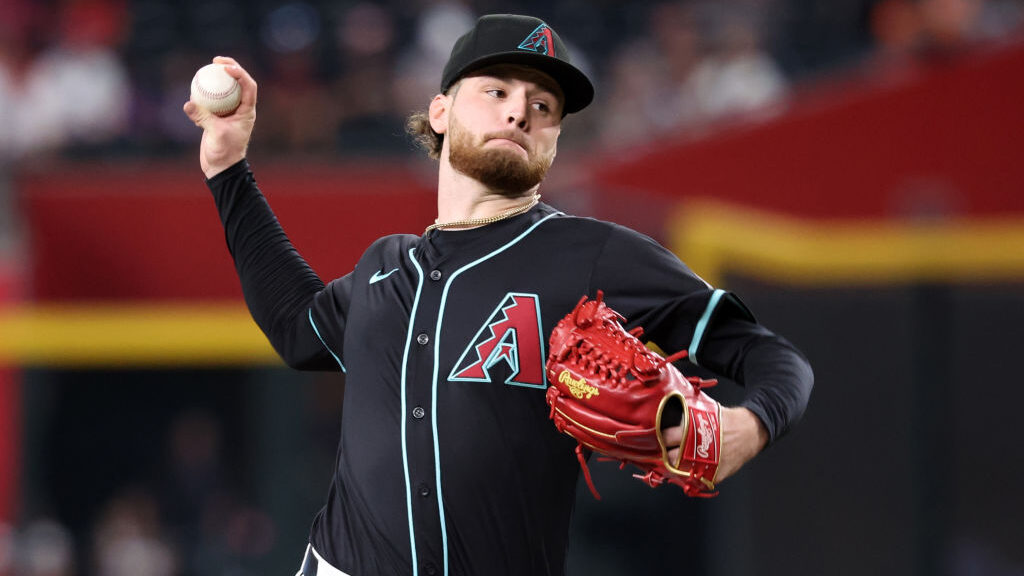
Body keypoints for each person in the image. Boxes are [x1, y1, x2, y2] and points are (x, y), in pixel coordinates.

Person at [183, 14, 813, 576]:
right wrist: (228, 168)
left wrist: (749, 424)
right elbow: (297, 327)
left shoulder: (596, 255)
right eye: (497, 91)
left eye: (544, 106)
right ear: (440, 112)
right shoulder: (385, 267)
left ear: (554, 141)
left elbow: (772, 358)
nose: (520, 112)